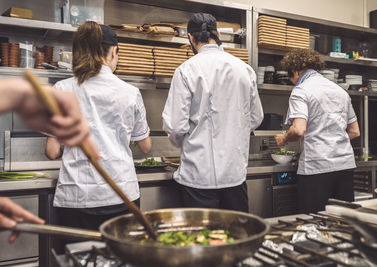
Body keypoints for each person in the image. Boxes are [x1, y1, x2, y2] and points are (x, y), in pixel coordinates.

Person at [45, 21, 152, 230]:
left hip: (76, 197)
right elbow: (146, 147)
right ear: (113, 52)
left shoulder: (62, 89)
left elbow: (51, 151)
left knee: (77, 259)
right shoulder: (130, 92)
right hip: (122, 195)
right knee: (121, 259)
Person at [162, 13, 263, 212]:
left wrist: (181, 142)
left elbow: (175, 125)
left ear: (190, 38)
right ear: (217, 34)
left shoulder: (186, 70)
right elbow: (256, 118)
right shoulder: (244, 69)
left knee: (202, 239)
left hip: (198, 177)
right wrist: (234, 131)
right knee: (236, 237)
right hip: (234, 176)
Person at [0, 77, 99, 242]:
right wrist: (17, 95)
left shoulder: (65, 87)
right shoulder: (129, 92)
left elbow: (51, 151)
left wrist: (17, 95)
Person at [275, 49, 360, 213]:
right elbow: (355, 131)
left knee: (313, 222)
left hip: (317, 167)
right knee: (342, 221)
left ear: (296, 71)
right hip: (345, 166)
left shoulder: (301, 90)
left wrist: (284, 138)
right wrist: (333, 142)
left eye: (292, 78)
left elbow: (299, 130)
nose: (293, 82)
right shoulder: (340, 91)